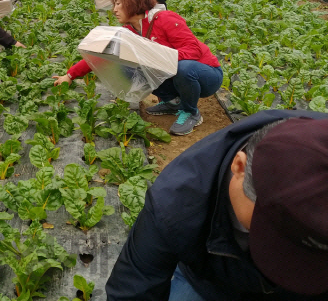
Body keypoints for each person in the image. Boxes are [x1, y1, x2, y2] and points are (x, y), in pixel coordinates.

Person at [105, 109, 328, 300]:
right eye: (272, 231)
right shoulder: (176, 202)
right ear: (239, 167)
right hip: (213, 283)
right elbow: (133, 289)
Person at [54, 0, 221, 135]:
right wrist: (69, 76)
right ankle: (172, 101)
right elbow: (100, 55)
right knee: (127, 67)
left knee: (183, 67)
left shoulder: (164, 19)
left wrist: (157, 58)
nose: (114, 10)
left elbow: (193, 51)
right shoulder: (130, 32)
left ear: (132, 0)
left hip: (205, 75)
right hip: (177, 76)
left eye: (118, 3)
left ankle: (191, 112)